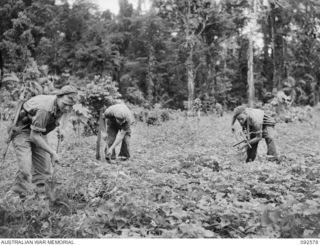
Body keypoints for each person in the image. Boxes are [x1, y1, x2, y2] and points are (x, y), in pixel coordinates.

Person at [6, 85, 78, 199]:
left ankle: (41, 196)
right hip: (22, 130)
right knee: (25, 168)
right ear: (58, 97)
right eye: (65, 104)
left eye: (71, 106)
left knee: (44, 169)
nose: (68, 109)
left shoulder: (62, 106)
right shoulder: (44, 110)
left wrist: (62, 129)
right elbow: (34, 137)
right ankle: (15, 196)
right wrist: (52, 152)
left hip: (38, 131)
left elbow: (63, 115)